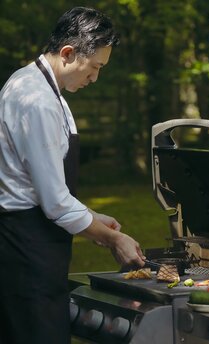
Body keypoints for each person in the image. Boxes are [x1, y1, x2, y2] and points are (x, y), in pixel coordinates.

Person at [0, 6, 145, 344]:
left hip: (34, 243)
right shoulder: (36, 100)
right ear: (68, 53)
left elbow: (42, 187)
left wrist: (92, 218)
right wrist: (113, 239)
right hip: (26, 247)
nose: (95, 78)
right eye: (95, 67)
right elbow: (54, 203)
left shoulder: (44, 90)